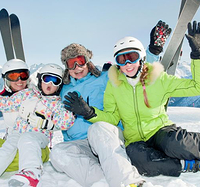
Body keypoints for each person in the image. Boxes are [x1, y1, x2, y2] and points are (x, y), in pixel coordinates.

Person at [64, 21, 200, 178]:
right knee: (137, 159)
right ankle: (184, 165)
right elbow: (112, 117)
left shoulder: (158, 79)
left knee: (175, 144)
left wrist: (197, 56)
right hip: (135, 140)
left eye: (132, 57)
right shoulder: (114, 85)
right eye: (122, 60)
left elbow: (197, 86)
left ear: (141, 57)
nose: (128, 64)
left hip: (160, 130)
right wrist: (89, 113)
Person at [50, 21, 171, 187]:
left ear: (88, 61)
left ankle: (128, 182)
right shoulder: (63, 89)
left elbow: (134, 71)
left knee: (97, 128)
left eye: (80, 60)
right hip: (81, 145)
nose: (77, 67)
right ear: (67, 67)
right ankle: (104, 180)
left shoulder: (105, 78)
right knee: (58, 152)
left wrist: (153, 51)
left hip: (107, 137)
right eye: (72, 63)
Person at [0, 63, 75, 187]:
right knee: (7, 148)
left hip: (39, 136)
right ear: (40, 80)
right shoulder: (28, 93)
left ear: (60, 85)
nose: (50, 84)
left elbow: (66, 121)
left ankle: (31, 172)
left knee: (27, 139)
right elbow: (7, 103)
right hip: (17, 132)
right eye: (47, 79)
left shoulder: (58, 104)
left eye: (55, 81)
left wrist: (47, 123)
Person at [0, 59, 49, 173]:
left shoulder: (34, 93)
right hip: (14, 137)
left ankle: (30, 171)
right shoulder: (6, 97)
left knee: (12, 153)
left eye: (23, 75)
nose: (19, 80)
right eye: (13, 76)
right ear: (6, 79)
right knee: (8, 149)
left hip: (34, 141)